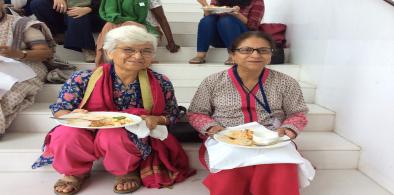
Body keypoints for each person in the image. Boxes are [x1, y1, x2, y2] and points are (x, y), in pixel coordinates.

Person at [32, 25, 195, 195]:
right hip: (87, 129)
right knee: (66, 134)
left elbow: (172, 114)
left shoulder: (160, 81)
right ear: (110, 52)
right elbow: (61, 109)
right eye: (128, 50)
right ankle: (75, 172)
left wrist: (157, 120)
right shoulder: (83, 78)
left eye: (146, 51)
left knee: (113, 135)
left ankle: (126, 171)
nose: (138, 56)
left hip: (130, 134)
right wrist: (72, 115)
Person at [187, 31, 308, 195]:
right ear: (232, 55)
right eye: (246, 50)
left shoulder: (286, 82)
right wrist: (211, 127)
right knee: (230, 172)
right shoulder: (213, 82)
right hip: (227, 138)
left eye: (263, 50)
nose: (256, 55)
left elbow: (298, 113)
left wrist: (289, 129)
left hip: (271, 139)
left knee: (280, 167)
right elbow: (196, 112)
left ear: (270, 55)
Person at [0, 0, 54, 137]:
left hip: (26, 67)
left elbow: (45, 53)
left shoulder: (21, 24)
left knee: (9, 91)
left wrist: (18, 54)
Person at [96, 0, 180, 65]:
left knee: (132, 25)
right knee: (109, 25)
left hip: (147, 29)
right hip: (120, 26)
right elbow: (112, 15)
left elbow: (162, 19)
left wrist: (171, 42)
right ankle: (103, 61)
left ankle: (138, 57)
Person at [189, 0, 264, 65]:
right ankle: (200, 55)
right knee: (208, 20)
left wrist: (237, 14)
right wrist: (205, 5)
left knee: (226, 19)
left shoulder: (257, 1)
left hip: (242, 38)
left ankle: (233, 55)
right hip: (219, 37)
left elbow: (253, 26)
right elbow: (210, 17)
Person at [30, 0, 104, 62]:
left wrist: (89, 8)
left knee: (76, 15)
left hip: (93, 12)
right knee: (37, 3)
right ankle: (59, 35)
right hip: (65, 10)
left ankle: (87, 48)